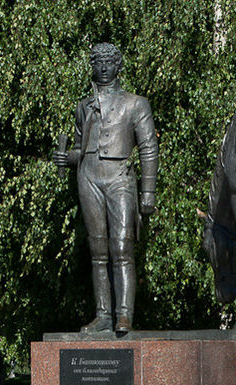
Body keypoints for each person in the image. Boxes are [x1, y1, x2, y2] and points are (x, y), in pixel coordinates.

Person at [52, 43, 159, 333]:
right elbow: (79, 149)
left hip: (120, 176)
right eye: (98, 62)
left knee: (122, 245)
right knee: (98, 249)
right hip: (88, 176)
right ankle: (103, 315)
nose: (103, 67)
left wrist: (147, 191)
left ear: (118, 66)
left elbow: (149, 147)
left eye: (109, 61)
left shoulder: (136, 103)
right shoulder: (83, 106)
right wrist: (66, 158)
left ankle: (124, 313)